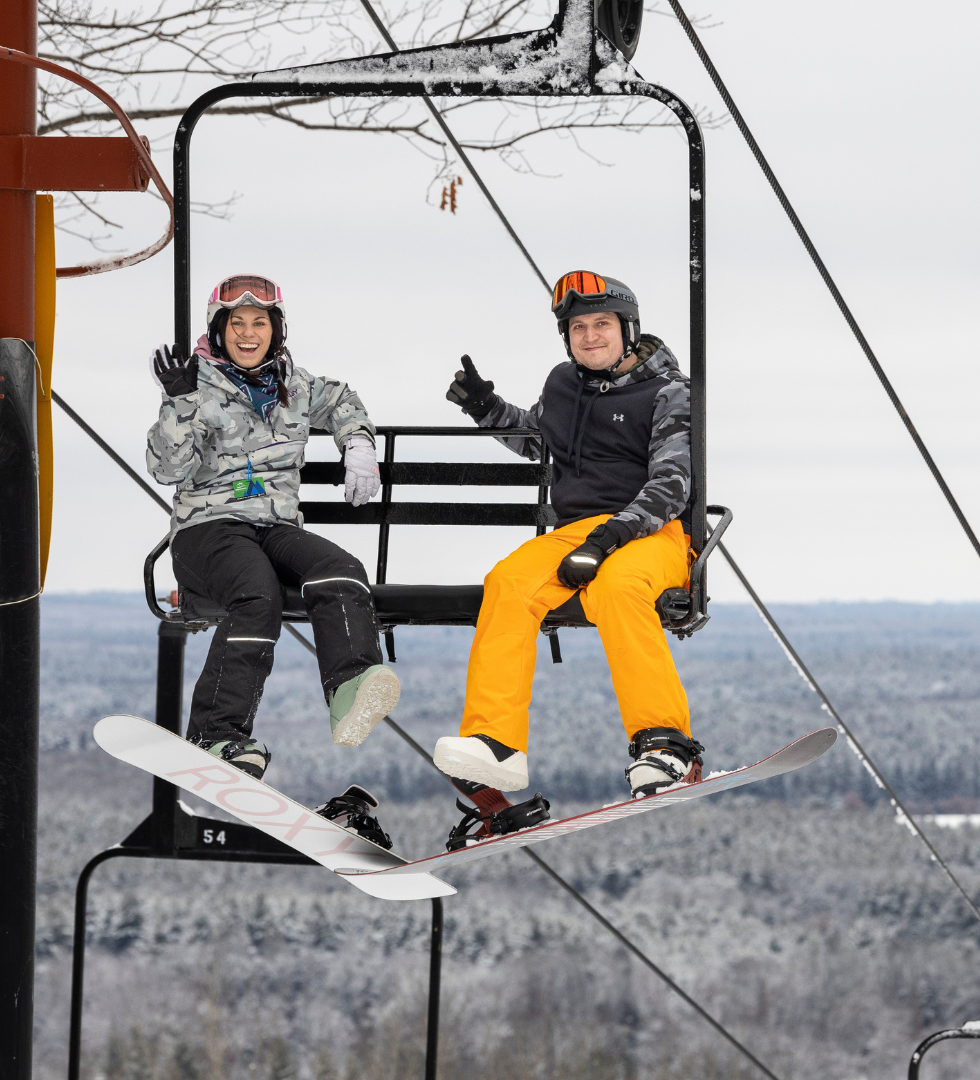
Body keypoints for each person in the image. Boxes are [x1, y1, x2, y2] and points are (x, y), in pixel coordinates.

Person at [432, 271, 704, 800]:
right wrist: (484, 407)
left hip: (651, 530)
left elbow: (672, 483)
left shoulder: (669, 392)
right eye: (578, 327)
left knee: (618, 589)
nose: (590, 337)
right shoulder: (564, 383)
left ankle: (665, 743)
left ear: (628, 329)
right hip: (577, 532)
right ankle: (495, 743)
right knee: (508, 582)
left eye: (602, 324)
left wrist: (607, 541)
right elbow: (537, 439)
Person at [146, 273, 400, 783]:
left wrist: (358, 444)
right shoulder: (193, 386)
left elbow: (343, 400)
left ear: (276, 328)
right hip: (209, 529)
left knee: (339, 569)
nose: (247, 333)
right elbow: (167, 470)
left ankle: (351, 686)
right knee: (256, 593)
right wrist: (178, 401)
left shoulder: (296, 386)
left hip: (274, 525)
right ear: (219, 330)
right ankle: (217, 732)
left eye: (258, 321)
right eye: (235, 322)